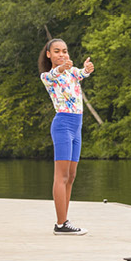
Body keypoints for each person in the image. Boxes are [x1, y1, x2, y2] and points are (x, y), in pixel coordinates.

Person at [39, 38, 94, 236]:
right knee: (61, 176)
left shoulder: (71, 71)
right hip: (63, 124)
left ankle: (65, 221)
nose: (62, 54)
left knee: (71, 176)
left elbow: (81, 74)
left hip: (77, 125)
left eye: (65, 51)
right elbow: (56, 73)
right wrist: (62, 67)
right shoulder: (48, 76)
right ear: (49, 54)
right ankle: (61, 224)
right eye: (57, 51)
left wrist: (87, 68)